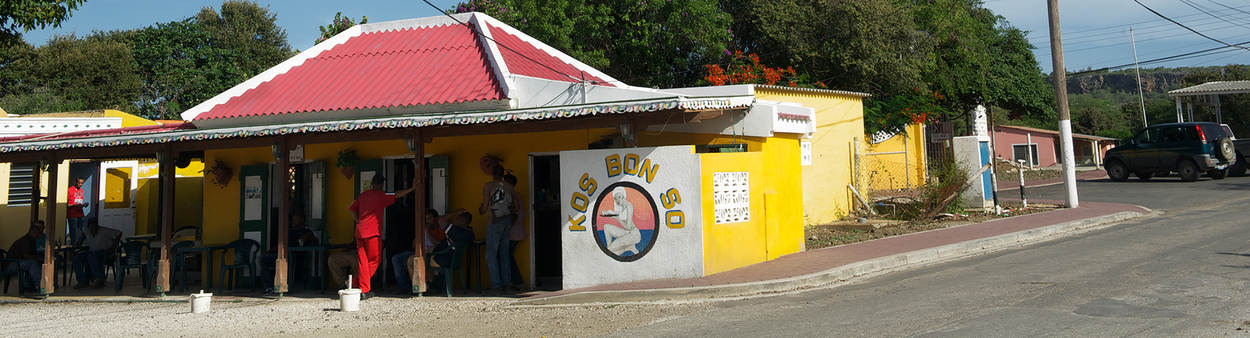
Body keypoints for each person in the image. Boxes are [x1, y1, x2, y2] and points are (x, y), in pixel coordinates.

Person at [349, 174, 417, 299]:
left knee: (363, 261)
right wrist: (411, 189)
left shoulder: (363, 195)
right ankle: (359, 285)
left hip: (359, 231)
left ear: (372, 183)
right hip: (372, 233)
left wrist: (358, 221)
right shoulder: (380, 195)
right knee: (375, 260)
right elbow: (396, 195)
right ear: (381, 185)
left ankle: (358, 286)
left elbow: (352, 209)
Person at [391, 208, 468, 293]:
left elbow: (440, 245)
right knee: (396, 258)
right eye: (425, 219)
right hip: (419, 251)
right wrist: (418, 238)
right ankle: (404, 287)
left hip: (431, 254)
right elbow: (414, 245)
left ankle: (419, 288)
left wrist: (428, 232)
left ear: (435, 219)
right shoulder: (422, 228)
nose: (427, 221)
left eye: (429, 218)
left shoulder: (440, 229)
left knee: (412, 261)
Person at [480, 164, 518, 294]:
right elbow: (516, 207)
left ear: (492, 173)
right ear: (503, 175)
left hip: (494, 220)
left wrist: (482, 210)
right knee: (504, 253)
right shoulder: (509, 187)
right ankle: (507, 284)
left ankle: (496, 285)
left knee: (491, 254)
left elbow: (485, 205)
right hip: (507, 220)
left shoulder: (489, 186)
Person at [71, 219, 120, 289]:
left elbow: (118, 233)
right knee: (76, 258)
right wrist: (77, 244)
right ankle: (82, 281)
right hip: (92, 251)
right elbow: (79, 242)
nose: (92, 229)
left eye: (94, 227)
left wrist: (113, 248)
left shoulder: (104, 230)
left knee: (91, 256)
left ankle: (99, 279)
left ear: (97, 226)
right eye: (90, 227)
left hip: (103, 252)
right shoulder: (86, 231)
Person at [502, 172, 527, 290]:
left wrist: (505, 229)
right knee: (508, 257)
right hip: (515, 231)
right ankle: (515, 282)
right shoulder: (514, 195)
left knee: (507, 257)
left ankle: (516, 281)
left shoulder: (511, 195)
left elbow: (514, 216)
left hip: (512, 232)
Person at [600, 187, 642, 256]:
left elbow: (628, 227)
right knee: (606, 227)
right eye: (616, 198)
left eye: (619, 197)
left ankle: (627, 248)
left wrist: (617, 218)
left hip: (634, 235)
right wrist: (607, 213)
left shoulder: (629, 206)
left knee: (609, 249)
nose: (618, 200)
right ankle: (628, 247)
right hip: (626, 233)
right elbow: (614, 214)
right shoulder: (620, 207)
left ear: (623, 196)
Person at [6, 222, 45, 295]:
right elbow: (26, 256)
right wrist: (37, 258)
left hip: (19, 262)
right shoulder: (26, 240)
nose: (39, 235)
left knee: (37, 263)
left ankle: (30, 285)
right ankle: (39, 285)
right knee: (32, 263)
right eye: (37, 233)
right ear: (33, 232)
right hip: (12, 264)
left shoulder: (31, 240)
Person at [67, 177, 88, 245]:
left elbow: (80, 201)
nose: (80, 185)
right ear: (76, 182)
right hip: (72, 214)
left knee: (82, 229)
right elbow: (67, 204)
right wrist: (75, 205)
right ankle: (73, 244)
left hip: (80, 213)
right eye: (79, 183)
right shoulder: (70, 190)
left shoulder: (81, 191)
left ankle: (80, 243)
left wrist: (84, 205)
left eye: (82, 183)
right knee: (73, 230)